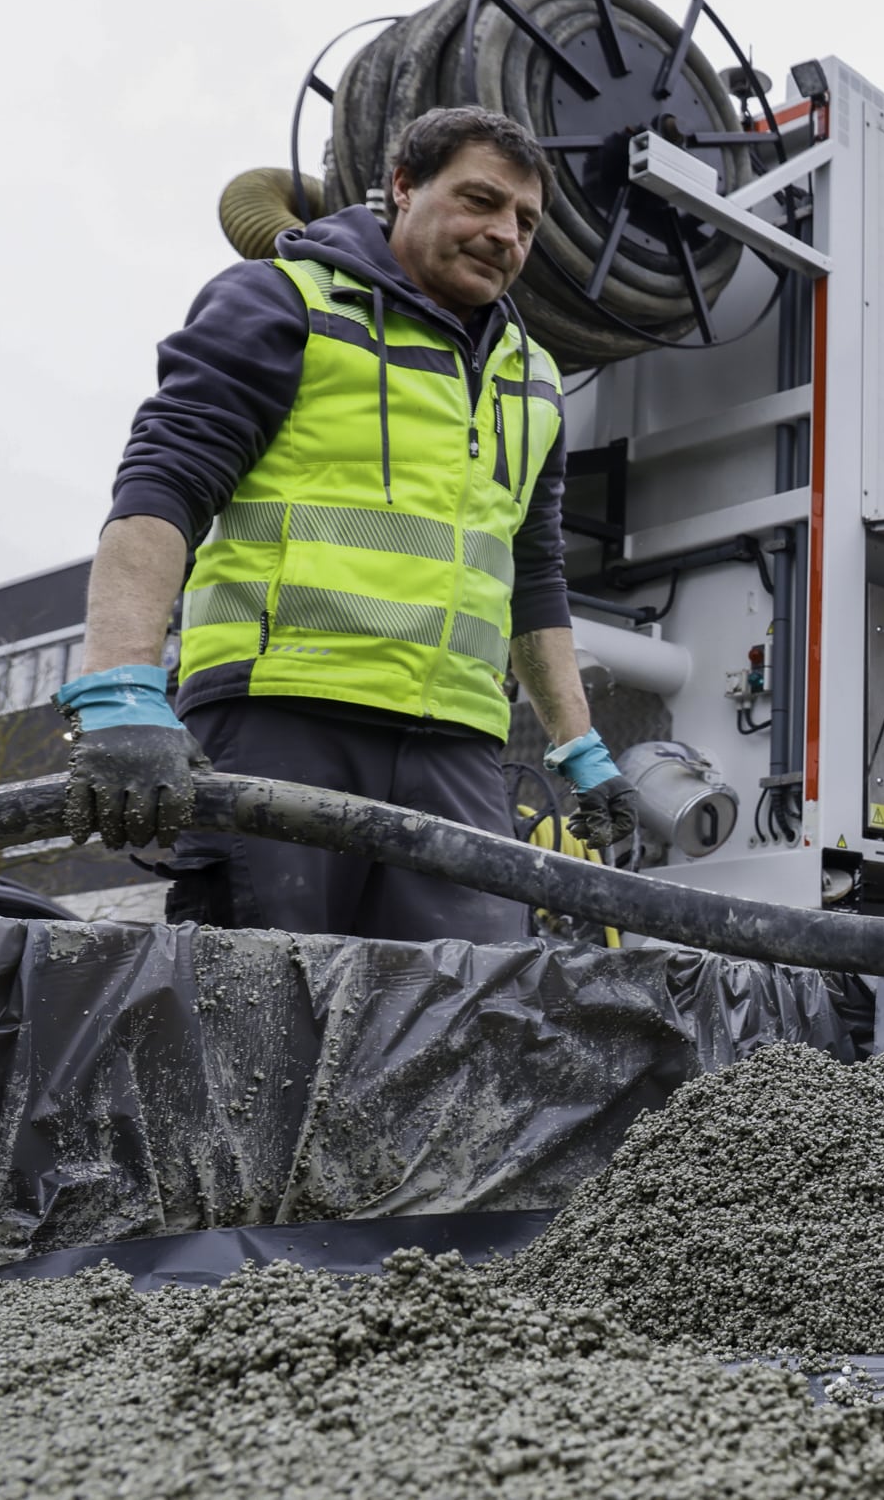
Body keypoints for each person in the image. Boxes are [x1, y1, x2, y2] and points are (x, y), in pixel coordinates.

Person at [55, 106, 636, 941]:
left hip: (458, 749)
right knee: (266, 1000)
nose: (505, 233)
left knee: (466, 1002)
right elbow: (163, 486)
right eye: (479, 200)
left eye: (525, 221)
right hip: (281, 716)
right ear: (403, 186)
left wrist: (581, 748)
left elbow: (533, 575)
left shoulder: (533, 377)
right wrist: (118, 688)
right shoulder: (285, 300)